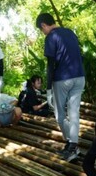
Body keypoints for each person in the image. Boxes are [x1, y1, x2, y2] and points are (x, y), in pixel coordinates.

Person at [35, 13, 86, 162]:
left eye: (41, 29)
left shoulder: (51, 37)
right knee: (74, 112)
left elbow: (50, 65)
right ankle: (72, 144)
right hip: (79, 76)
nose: (42, 32)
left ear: (44, 25)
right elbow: (79, 55)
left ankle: (71, 143)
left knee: (60, 115)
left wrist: (49, 88)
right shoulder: (69, 32)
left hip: (62, 79)